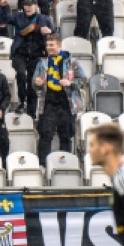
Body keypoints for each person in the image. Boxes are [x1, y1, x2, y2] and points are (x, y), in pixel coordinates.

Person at [33, 33, 85, 165]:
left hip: (66, 104)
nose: (49, 48)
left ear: (59, 45)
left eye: (52, 45)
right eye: (47, 45)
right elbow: (35, 83)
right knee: (45, 135)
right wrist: (37, 83)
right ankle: (43, 165)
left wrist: (71, 83)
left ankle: (65, 164)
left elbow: (83, 80)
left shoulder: (72, 62)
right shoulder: (43, 63)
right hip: (48, 103)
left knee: (66, 136)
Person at [1, 0, 54, 118]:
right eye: (25, 5)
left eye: (30, 5)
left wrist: (49, 32)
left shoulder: (44, 19)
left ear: (36, 6)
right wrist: (4, 7)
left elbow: (54, 34)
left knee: (33, 82)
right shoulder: (19, 17)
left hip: (36, 55)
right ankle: (22, 101)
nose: (28, 8)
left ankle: (31, 111)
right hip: (20, 53)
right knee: (21, 74)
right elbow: (5, 19)